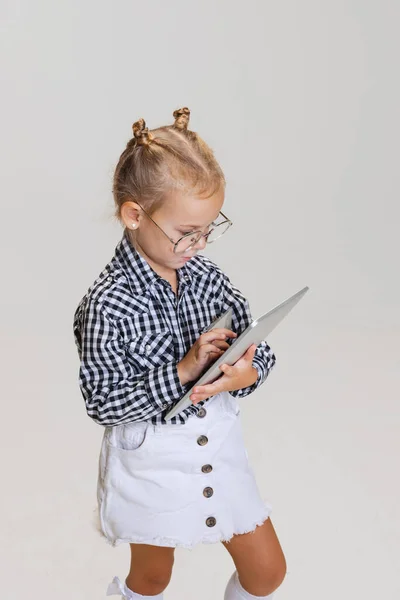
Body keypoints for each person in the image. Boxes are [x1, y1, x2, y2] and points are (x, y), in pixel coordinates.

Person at [73, 107, 287, 599]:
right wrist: (182, 371)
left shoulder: (206, 276)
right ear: (134, 215)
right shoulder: (108, 302)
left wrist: (245, 373)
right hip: (153, 460)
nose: (199, 243)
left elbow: (258, 344)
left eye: (210, 228)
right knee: (152, 577)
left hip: (218, 448)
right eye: (186, 232)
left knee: (267, 572)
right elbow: (103, 402)